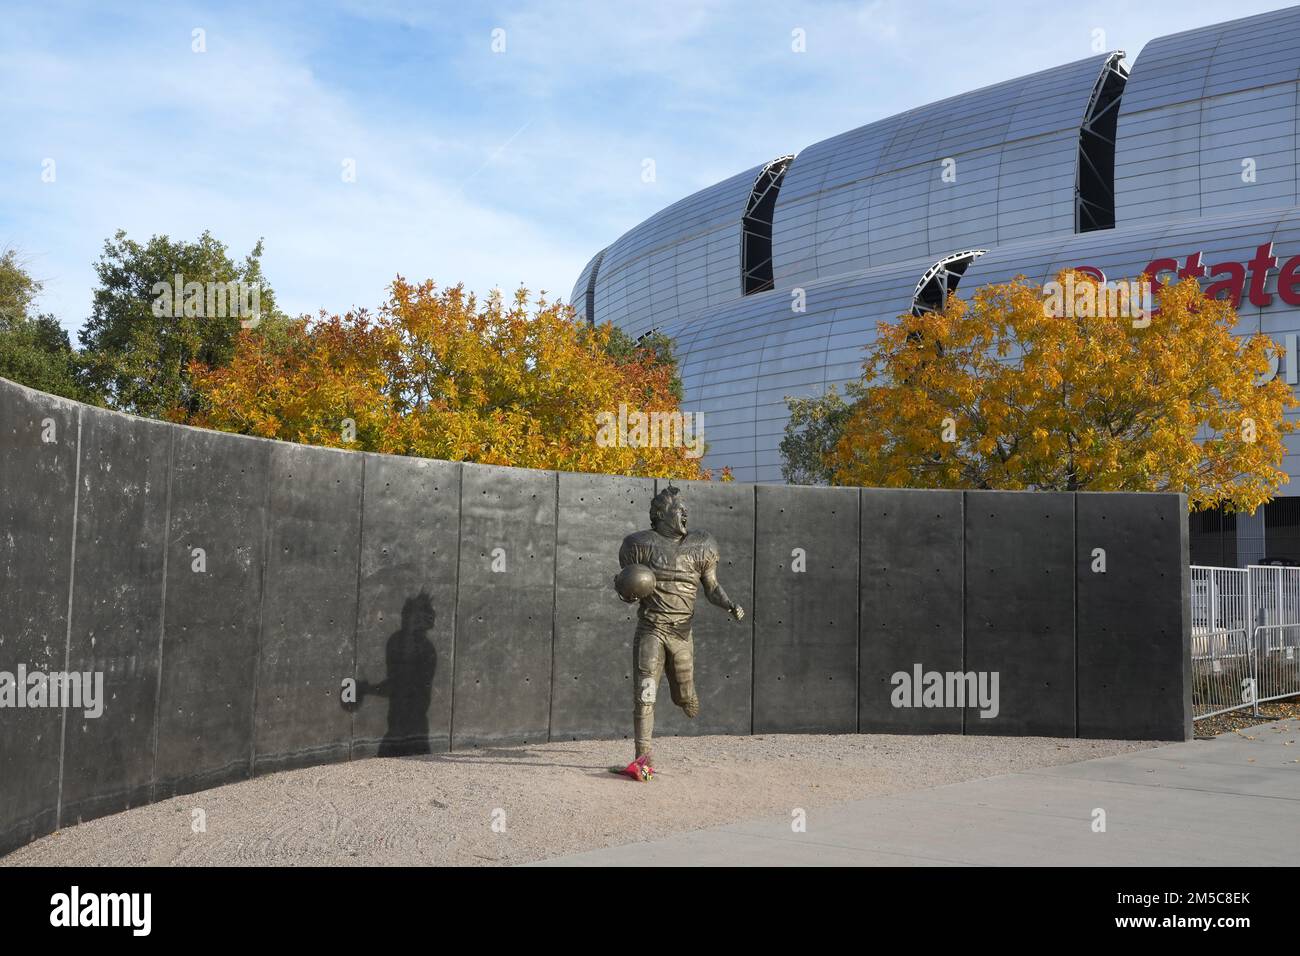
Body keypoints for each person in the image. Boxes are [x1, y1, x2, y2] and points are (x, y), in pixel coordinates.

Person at [615, 485, 744, 776]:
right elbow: (626, 585)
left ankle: (685, 695)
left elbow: (711, 588)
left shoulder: (702, 545)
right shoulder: (638, 544)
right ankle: (642, 758)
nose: (685, 512)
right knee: (645, 691)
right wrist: (626, 589)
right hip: (652, 628)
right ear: (661, 514)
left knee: (683, 696)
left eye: (685, 508)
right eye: (678, 508)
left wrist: (729, 604)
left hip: (682, 633)